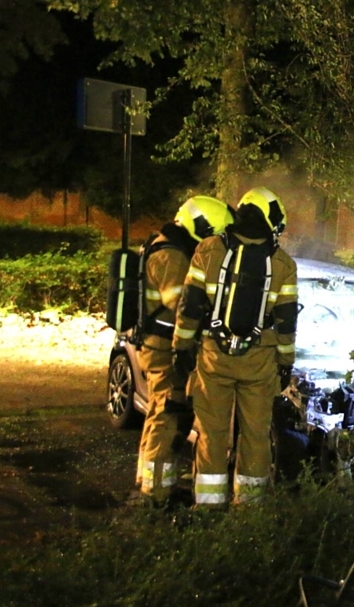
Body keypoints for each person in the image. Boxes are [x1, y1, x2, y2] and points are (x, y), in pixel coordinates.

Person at [172, 187, 298, 507]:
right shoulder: (282, 262)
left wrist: (181, 347)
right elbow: (286, 321)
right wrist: (286, 363)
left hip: (214, 356)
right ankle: (249, 511)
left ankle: (209, 508)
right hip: (260, 361)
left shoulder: (209, 249)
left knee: (212, 434)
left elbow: (190, 306)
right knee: (256, 436)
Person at [135, 195, 235, 504]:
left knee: (160, 414)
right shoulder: (173, 257)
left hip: (160, 346)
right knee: (168, 415)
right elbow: (181, 306)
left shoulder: (166, 244)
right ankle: (156, 495)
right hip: (165, 349)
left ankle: (150, 483)